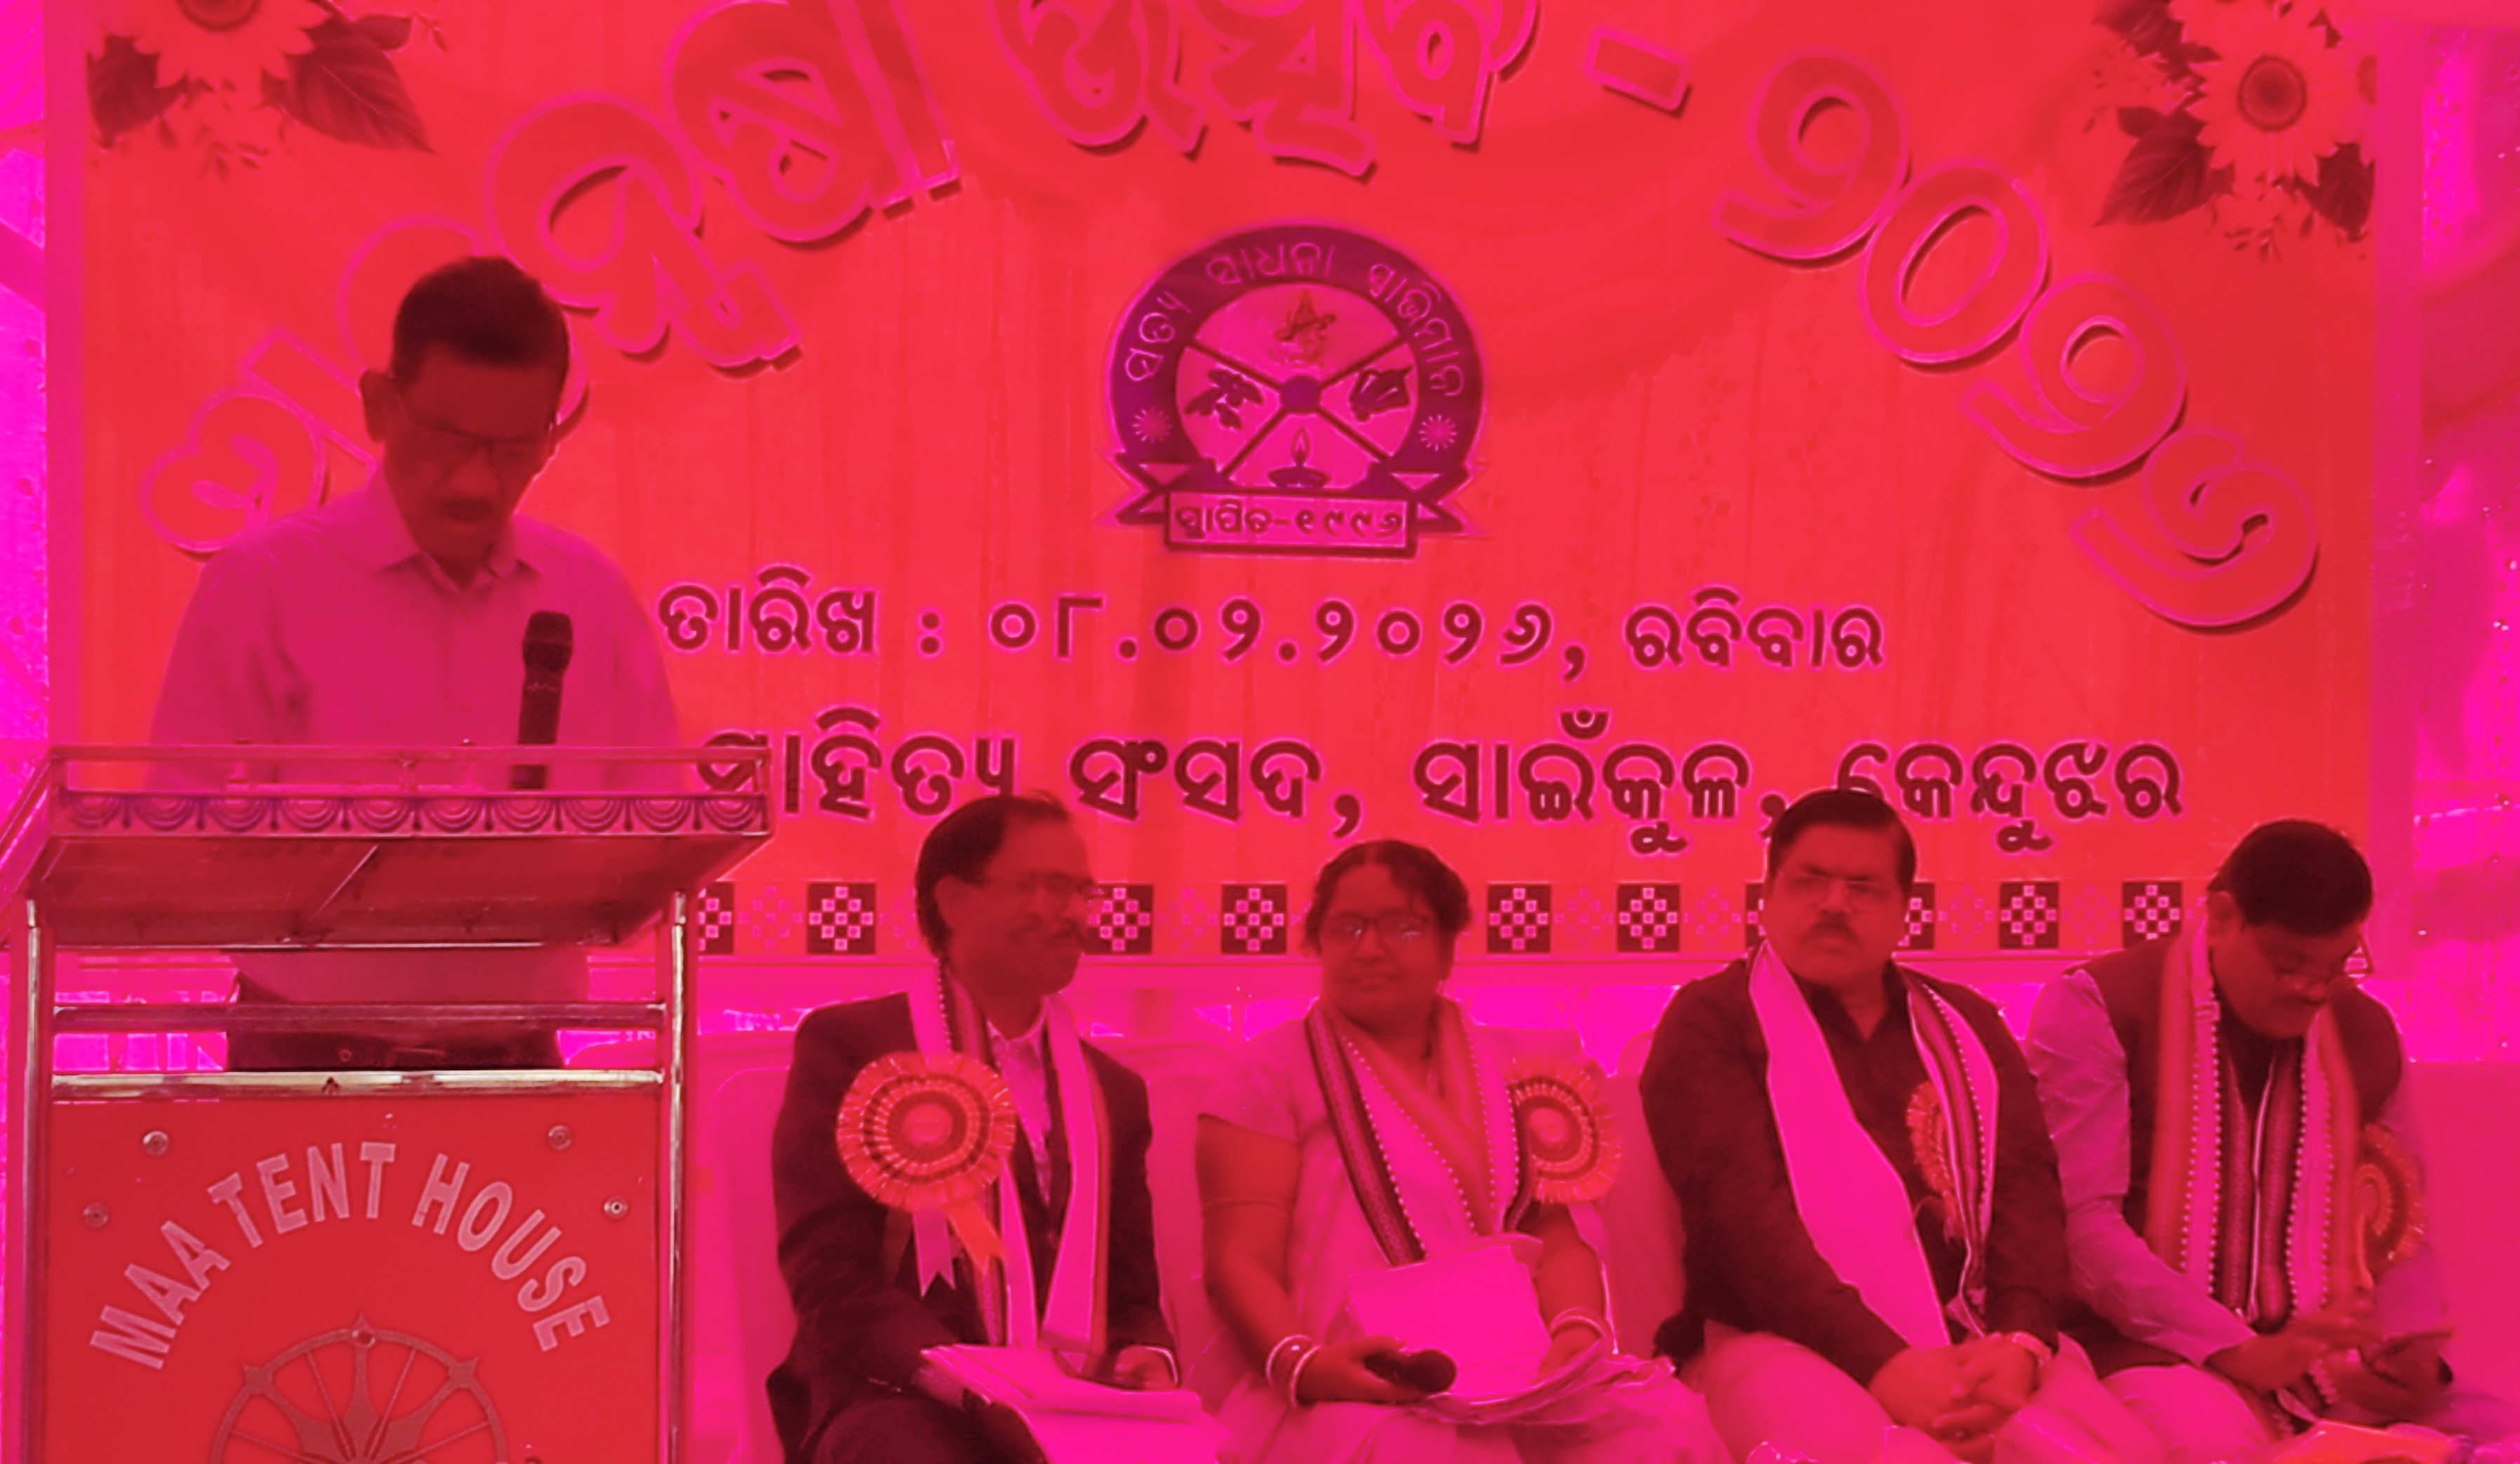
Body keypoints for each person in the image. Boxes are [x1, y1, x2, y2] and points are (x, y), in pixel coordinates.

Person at [147, 255, 680, 1069]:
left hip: (514, 1056)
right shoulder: (266, 584)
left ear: (550, 435)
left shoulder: (592, 597)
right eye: (447, 440)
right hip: (305, 1052)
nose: (476, 481)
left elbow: (657, 834)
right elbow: (175, 824)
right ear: (379, 406)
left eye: (513, 448)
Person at [1640, 789, 2164, 1464]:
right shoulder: (1712, 1020)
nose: (1834, 903)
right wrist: (1883, 1362)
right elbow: (1742, 1226)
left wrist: (2021, 1340)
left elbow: (2027, 1194)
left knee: (2123, 1454)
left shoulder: (1966, 1025)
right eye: (1809, 881)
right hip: (1778, 1340)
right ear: (1766, 896)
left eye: (1863, 888)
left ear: (1902, 910)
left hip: (1979, 1338)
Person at [1194, 837, 1723, 1464]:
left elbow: (1556, 1238)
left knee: (1665, 1428)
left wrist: (1575, 1330)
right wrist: (1307, 1366)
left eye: (1403, 927)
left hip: (1513, 1377)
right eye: (1347, 928)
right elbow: (1239, 1263)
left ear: (1447, 947)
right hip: (1337, 1383)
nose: (1370, 948)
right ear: (1318, 944)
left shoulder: (1519, 1068)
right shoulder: (1268, 1072)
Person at [2024, 819, 2520, 1463]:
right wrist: (2236, 1347)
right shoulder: (2100, 1004)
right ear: (2222, 917)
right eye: (2287, 964)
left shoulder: (2364, 1030)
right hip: (2154, 1349)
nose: (2312, 989)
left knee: (2498, 1440)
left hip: (2328, 1361)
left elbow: (2400, 1224)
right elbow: (2082, 1223)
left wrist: (2408, 1350)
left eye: (2334, 965)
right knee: (2215, 1449)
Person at [767, 793, 1177, 1464]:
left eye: (1083, 892)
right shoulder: (852, 1047)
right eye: (1047, 887)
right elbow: (829, 1278)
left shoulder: (1115, 1091)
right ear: (955, 901)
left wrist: (1146, 1353)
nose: (1074, 915)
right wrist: (972, 1385)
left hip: (1075, 1397)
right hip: (899, 1393)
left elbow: (1132, 1293)